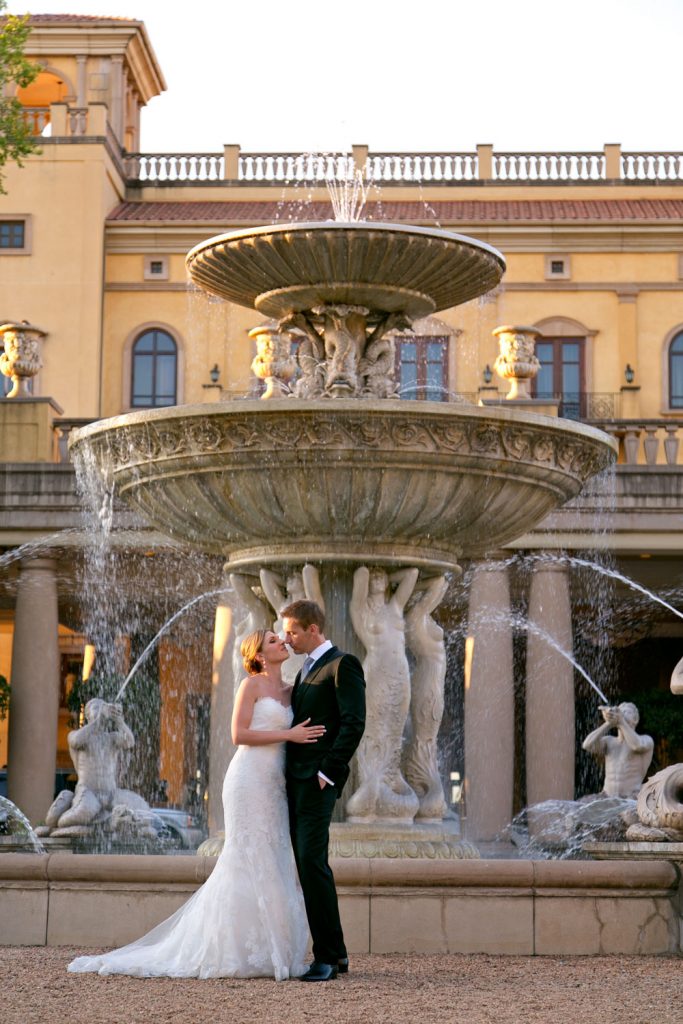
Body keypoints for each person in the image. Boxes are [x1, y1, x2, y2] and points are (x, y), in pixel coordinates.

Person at [68, 630, 325, 980]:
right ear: (260, 655)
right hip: (247, 780)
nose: (281, 641)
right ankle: (232, 948)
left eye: (279, 638)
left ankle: (271, 948)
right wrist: (288, 735)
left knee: (275, 854)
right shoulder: (251, 685)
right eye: (272, 641)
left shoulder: (290, 689)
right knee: (246, 854)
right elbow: (239, 735)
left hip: (275, 785)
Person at [282, 599, 366, 982]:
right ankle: (339, 952)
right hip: (296, 781)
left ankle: (327, 958)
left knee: (311, 864)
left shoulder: (342, 664)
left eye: (292, 632)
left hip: (317, 781)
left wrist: (327, 773)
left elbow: (354, 723)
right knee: (310, 865)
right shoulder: (305, 669)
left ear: (312, 629)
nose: (287, 639)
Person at [582, 702, 654, 799]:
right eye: (621, 711)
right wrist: (608, 723)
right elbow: (587, 745)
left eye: (627, 712)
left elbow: (636, 746)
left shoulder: (645, 740)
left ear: (635, 719)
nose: (622, 713)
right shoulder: (609, 741)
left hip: (630, 797)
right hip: (607, 797)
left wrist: (621, 721)